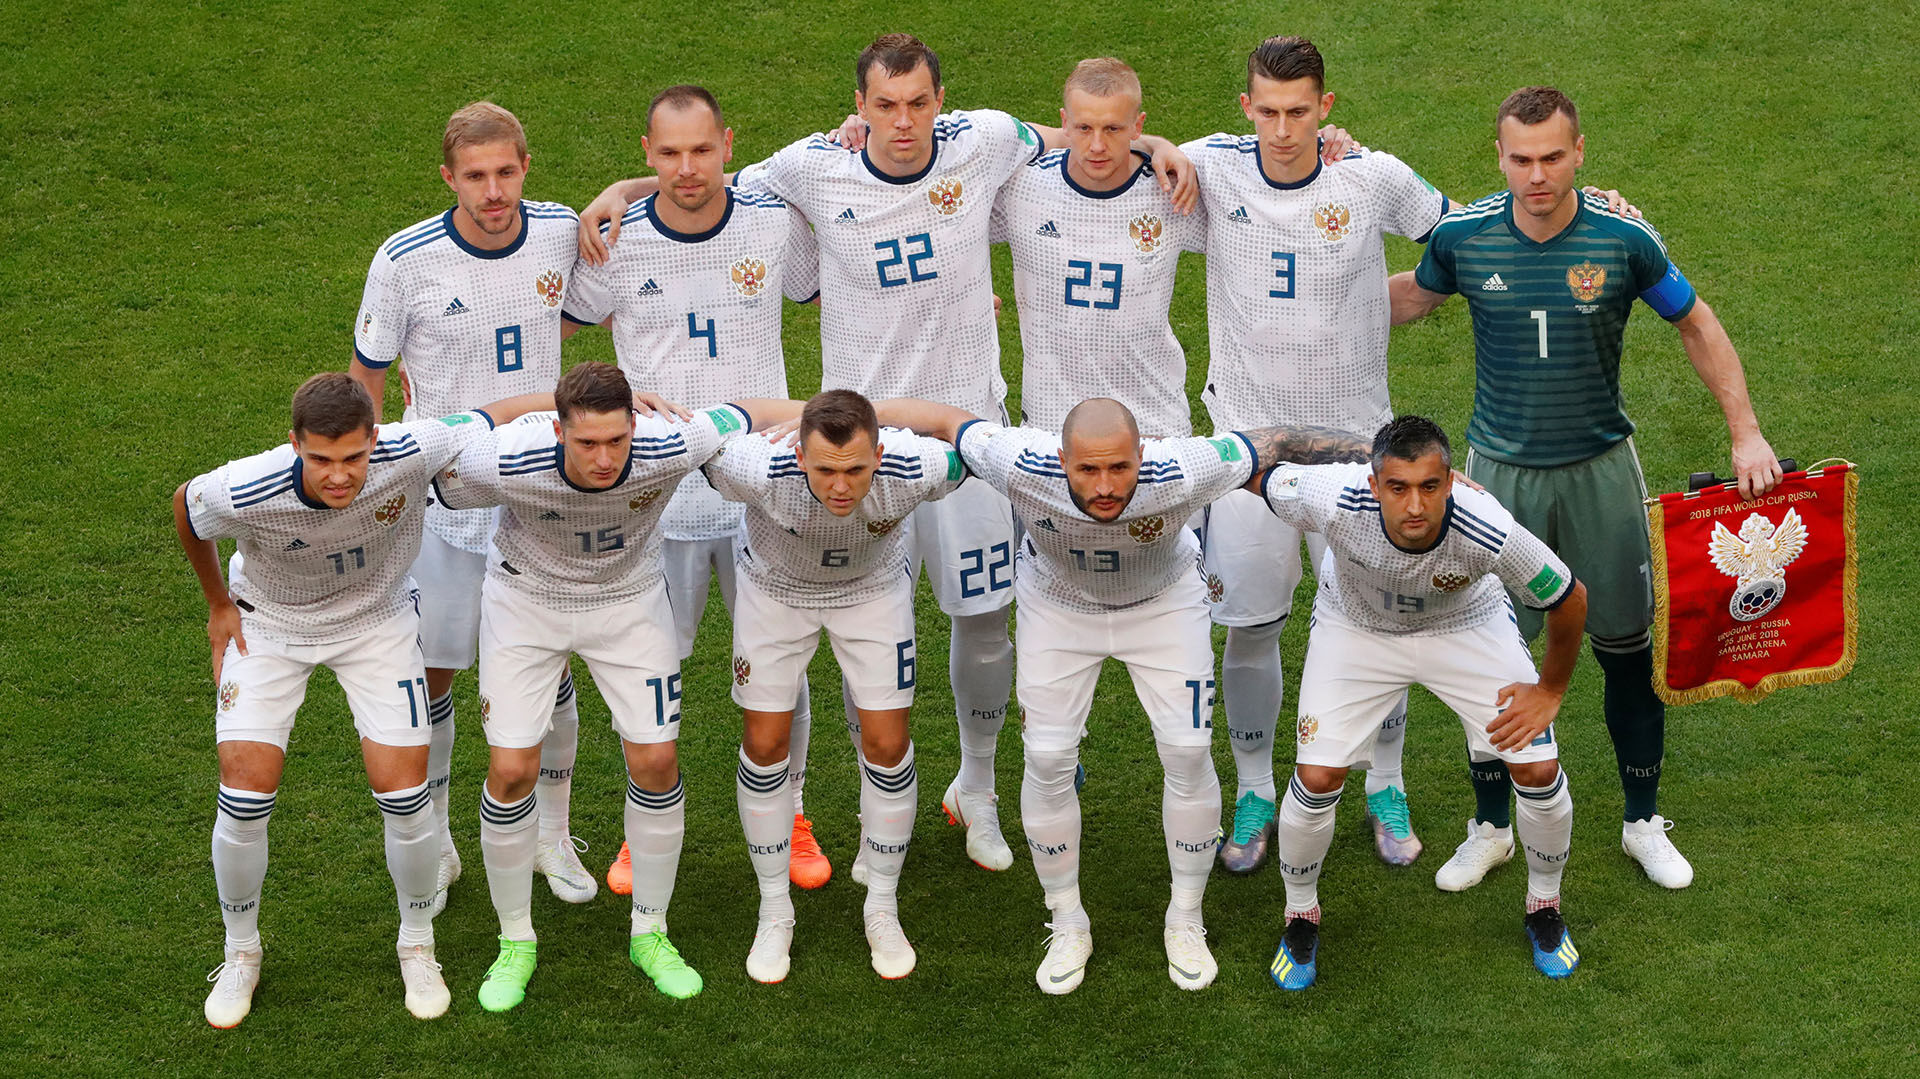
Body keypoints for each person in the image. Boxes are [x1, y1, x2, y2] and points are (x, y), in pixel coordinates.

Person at [578, 33, 1198, 875]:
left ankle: (973, 787)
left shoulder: (981, 143)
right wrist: (624, 187)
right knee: (865, 618)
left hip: (970, 439)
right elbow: (699, 183)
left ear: (941, 101)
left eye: (917, 104)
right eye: (884, 105)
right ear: (860, 106)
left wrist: (1156, 144)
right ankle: (857, 808)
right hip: (856, 456)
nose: (902, 123)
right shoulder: (808, 167)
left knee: (983, 624)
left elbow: (1071, 137)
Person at [1392, 85, 1781, 890]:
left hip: (1601, 468)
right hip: (1497, 478)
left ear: (1579, 152)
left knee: (1625, 651)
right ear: (1499, 158)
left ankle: (1643, 822)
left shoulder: (1621, 235)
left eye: (1552, 157)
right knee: (1491, 656)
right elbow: (1413, 300)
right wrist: (1305, 284)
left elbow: (1697, 322)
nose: (1537, 175)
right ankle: (1491, 826)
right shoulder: (1465, 236)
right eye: (1521, 159)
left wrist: (1745, 429)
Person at [886, 394, 1374, 994]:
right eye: (1088, 469)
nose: (1106, 485)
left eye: (1120, 467)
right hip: (1059, 606)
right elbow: (944, 421)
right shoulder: (1018, 461)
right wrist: (816, 420)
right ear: (1059, 460)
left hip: (1163, 604)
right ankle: (1067, 920)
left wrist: (1389, 458)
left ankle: (1186, 917)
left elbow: (1278, 440)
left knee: (1190, 753)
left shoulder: (1183, 468)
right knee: (1045, 758)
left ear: (1143, 454)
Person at [176, 372, 546, 1026]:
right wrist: (215, 605)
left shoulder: (412, 447)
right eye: (320, 458)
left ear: (375, 439)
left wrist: (568, 398)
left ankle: (417, 943)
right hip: (270, 624)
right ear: (294, 444)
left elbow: (492, 413)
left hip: (376, 622)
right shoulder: (247, 483)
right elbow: (187, 506)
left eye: (353, 456)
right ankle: (241, 954)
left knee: (404, 794)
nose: (339, 474)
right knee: (244, 794)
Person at [431, 362, 799, 1008]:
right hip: (526, 602)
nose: (604, 459)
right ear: (557, 431)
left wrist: (817, 410)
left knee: (656, 759)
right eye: (585, 443)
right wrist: (510, 405)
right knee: (512, 770)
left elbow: (744, 410)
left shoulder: (671, 441)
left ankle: (650, 931)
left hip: (629, 604)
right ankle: (515, 940)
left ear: (636, 425)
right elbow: (437, 451)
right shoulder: (506, 458)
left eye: (615, 440)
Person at [1180, 38, 1457, 873]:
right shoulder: (1211, 167)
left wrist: (1390, 303)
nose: (1283, 128)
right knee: (1252, 626)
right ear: (1246, 107)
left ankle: (1386, 780)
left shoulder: (1370, 175)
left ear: (1326, 107)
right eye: (1267, 110)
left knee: (1382, 620)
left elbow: (1465, 239)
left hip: (1357, 455)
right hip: (1249, 457)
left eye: (1299, 111)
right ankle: (1258, 787)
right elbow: (1103, 141)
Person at [563, 84, 833, 893]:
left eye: (703, 150)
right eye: (669, 153)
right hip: (656, 498)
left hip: (763, 489)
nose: (687, 169)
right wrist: (612, 385)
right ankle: (638, 827)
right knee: (649, 665)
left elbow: (840, 287)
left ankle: (791, 815)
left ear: (728, 145)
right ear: (646, 153)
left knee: (780, 663)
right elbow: (551, 329)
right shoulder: (614, 241)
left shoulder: (769, 221)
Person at [347, 100, 593, 908]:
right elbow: (366, 382)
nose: (494, 191)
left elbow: (648, 215)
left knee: (552, 667)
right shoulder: (405, 259)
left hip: (539, 495)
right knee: (439, 670)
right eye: (476, 176)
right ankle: (447, 836)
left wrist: (624, 186)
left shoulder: (558, 229)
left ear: (527, 165)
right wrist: (362, 479)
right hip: (447, 507)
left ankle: (552, 836)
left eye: (507, 172)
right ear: (448, 176)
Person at [1258, 416, 1589, 987]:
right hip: (1356, 629)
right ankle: (1299, 916)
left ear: (1453, 483)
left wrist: (1550, 690)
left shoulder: (1488, 529)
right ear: (1372, 485)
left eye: (1430, 487)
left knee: (1537, 768)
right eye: (1398, 487)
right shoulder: (1328, 497)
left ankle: (1545, 906)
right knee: (1315, 779)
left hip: (1465, 626)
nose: (1415, 505)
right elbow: (1254, 469)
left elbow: (1568, 595)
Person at [702, 390, 968, 983]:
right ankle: (775, 909)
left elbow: (965, 436)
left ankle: (882, 903)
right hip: (775, 591)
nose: (841, 486)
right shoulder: (752, 466)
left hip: (872, 591)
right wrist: (782, 411)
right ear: (799, 455)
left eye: (855, 469)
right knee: (766, 745)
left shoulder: (918, 465)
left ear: (879, 453)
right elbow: (707, 428)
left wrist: (912, 413)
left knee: (887, 744)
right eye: (824, 469)